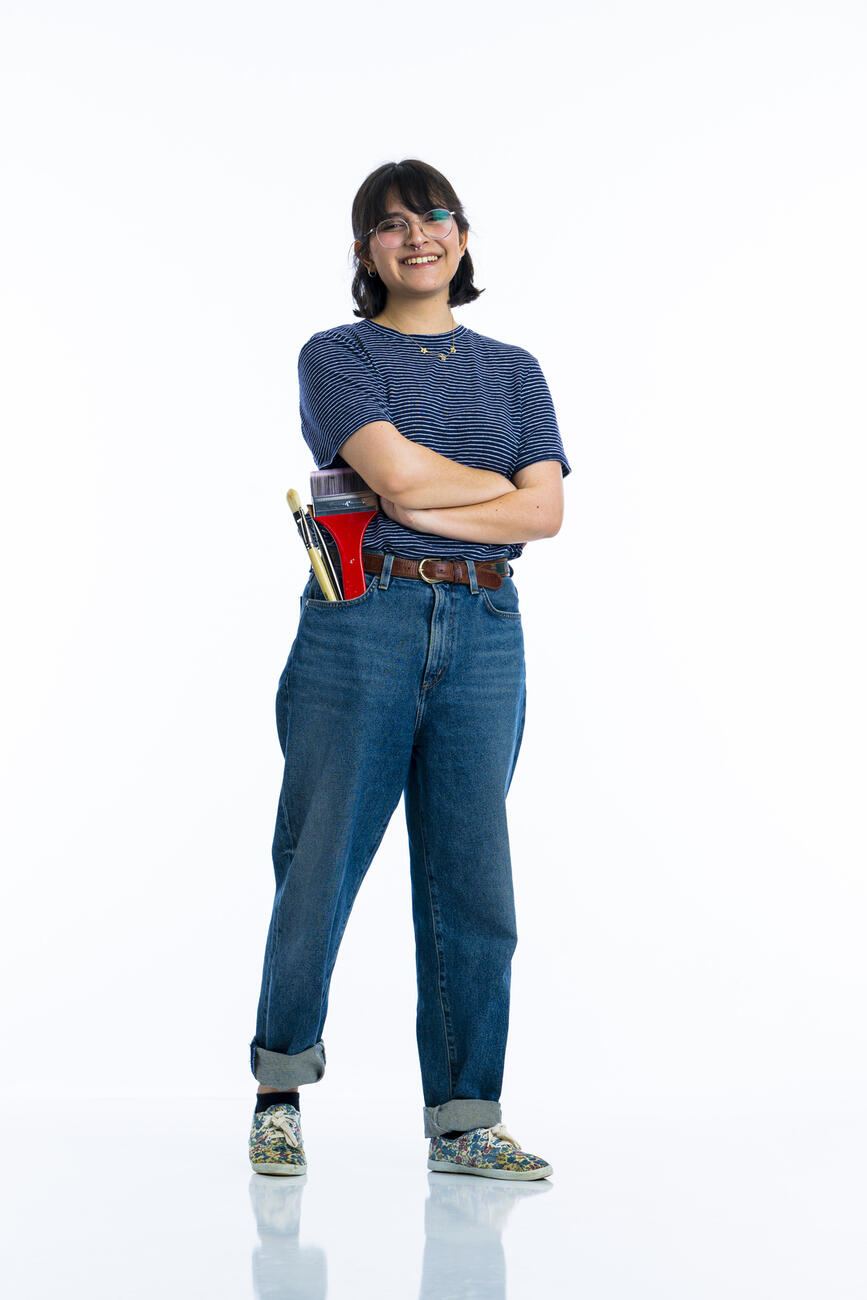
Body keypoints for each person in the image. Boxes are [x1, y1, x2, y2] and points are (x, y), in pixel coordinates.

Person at [248, 159, 571, 1181]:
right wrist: (473, 495)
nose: (416, 234)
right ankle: (279, 1092)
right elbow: (387, 477)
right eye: (390, 224)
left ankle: (466, 1119)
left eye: (435, 215)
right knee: (321, 860)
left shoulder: (515, 368)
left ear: (463, 238)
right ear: (365, 253)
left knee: (473, 876)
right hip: (363, 615)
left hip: (486, 627)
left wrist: (430, 505)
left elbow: (547, 512)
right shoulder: (337, 354)